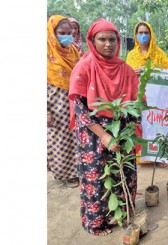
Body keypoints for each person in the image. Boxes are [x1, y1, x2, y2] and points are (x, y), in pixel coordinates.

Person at [69, 18, 140, 236]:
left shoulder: (125, 69)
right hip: (94, 134)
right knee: (97, 178)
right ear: (92, 40)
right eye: (102, 39)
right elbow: (79, 108)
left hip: (122, 131)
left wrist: (130, 131)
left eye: (112, 39)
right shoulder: (84, 66)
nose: (108, 44)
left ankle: (121, 214)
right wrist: (104, 136)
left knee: (124, 172)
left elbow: (136, 102)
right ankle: (96, 223)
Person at [47, 15, 80, 188]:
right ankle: (66, 174)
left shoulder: (73, 51)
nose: (67, 36)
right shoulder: (46, 53)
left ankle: (76, 170)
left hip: (73, 100)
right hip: (54, 103)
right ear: (53, 33)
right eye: (61, 33)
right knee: (60, 139)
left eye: (69, 33)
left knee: (76, 137)